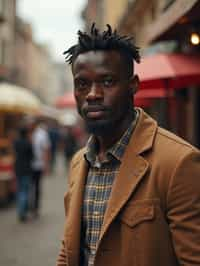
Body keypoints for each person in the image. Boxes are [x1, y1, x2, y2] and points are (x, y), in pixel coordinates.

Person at [57, 24, 200, 266]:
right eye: (82, 84)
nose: (92, 94)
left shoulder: (178, 163)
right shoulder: (79, 162)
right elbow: (70, 250)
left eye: (108, 81)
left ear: (133, 84)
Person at [30, 118, 50, 217]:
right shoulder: (27, 133)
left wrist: (46, 165)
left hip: (38, 165)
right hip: (27, 166)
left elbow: (46, 149)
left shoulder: (41, 134)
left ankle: (35, 208)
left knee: (37, 187)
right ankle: (28, 206)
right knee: (28, 187)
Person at [13, 126, 33, 222]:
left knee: (19, 190)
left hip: (18, 169)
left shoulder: (16, 142)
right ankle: (23, 213)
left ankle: (20, 211)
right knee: (24, 192)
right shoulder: (28, 143)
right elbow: (32, 156)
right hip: (26, 169)